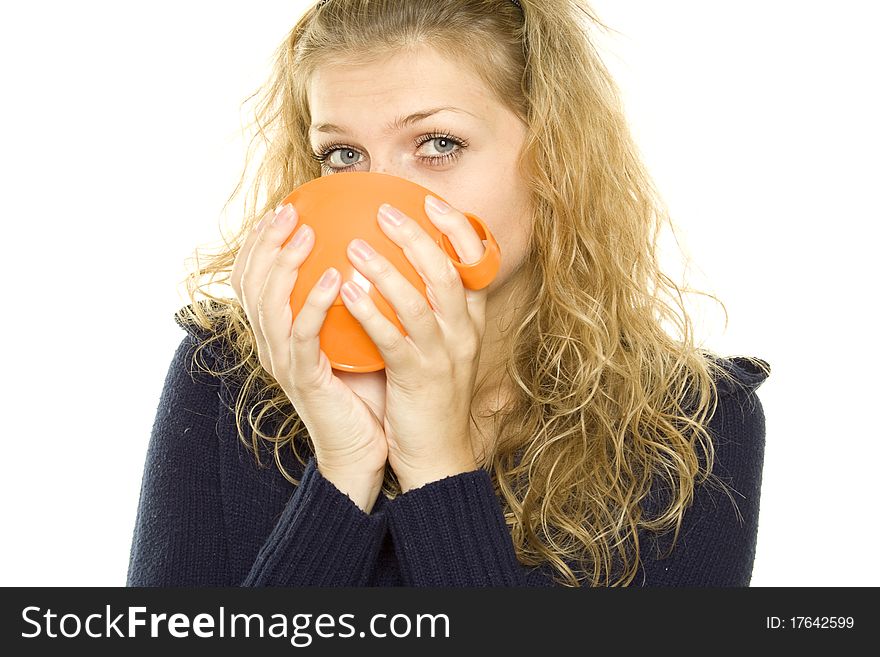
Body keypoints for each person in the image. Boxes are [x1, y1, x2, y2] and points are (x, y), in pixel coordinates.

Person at [126, 0, 771, 588]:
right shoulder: (226, 377)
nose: (378, 205)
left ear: (554, 161)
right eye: (343, 156)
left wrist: (437, 468)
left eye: (438, 145)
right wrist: (343, 473)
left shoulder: (696, 427)